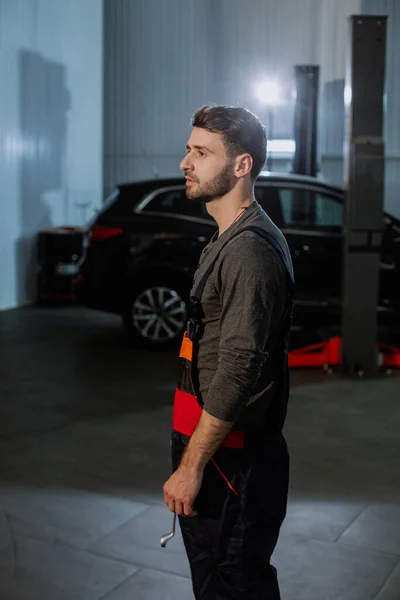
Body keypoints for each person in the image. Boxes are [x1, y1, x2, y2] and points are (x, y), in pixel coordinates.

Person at [163, 105, 295, 600]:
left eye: (201, 152)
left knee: (233, 583)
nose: (185, 162)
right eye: (189, 148)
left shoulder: (248, 251)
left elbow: (240, 368)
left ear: (242, 166)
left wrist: (191, 466)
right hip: (218, 451)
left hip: (230, 462)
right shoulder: (228, 237)